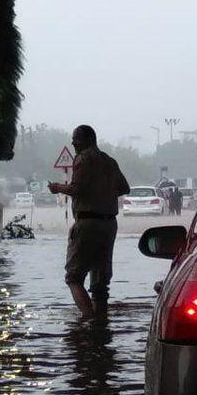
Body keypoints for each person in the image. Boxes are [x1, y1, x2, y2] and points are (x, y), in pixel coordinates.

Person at [49, 125, 130, 319]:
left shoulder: (84, 158)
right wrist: (104, 193)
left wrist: (58, 187)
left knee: (74, 277)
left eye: (76, 138)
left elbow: (76, 189)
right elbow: (125, 188)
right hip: (109, 225)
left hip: (87, 224)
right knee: (101, 284)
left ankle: (88, 320)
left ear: (87, 139)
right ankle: (100, 325)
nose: (73, 143)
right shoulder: (109, 161)